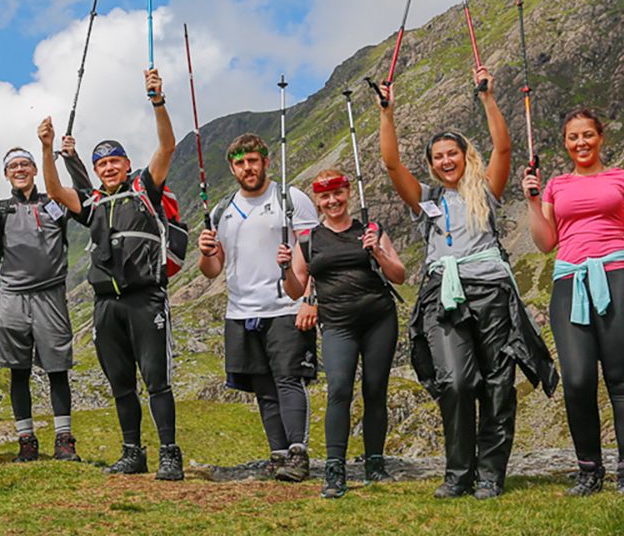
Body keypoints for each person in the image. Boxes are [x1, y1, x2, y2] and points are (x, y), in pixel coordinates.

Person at [380, 67, 558, 500]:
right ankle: (458, 473)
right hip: (445, 293)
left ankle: (490, 476)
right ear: (431, 164)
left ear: (464, 155)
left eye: (451, 153)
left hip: (493, 291)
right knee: (456, 381)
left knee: (498, 382)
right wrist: (387, 113)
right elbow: (390, 163)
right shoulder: (425, 200)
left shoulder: (486, 190)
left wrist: (488, 98)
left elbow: (504, 145)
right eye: (437, 156)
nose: (445, 161)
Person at [40, 67, 184, 481]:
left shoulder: (145, 188)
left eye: (114, 161)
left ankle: (169, 454)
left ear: (127, 164)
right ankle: (132, 453)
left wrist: (158, 101)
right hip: (106, 305)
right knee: (121, 382)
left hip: (145, 298)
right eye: (101, 163)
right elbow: (54, 192)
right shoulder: (92, 204)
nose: (107, 168)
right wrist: (47, 149)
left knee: (156, 379)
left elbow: (168, 146)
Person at [523, 109, 624, 496]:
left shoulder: (620, 178)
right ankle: (589, 472)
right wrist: (531, 202)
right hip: (569, 281)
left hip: (617, 276)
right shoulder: (555, 186)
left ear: (601, 137)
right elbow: (546, 242)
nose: (581, 143)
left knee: (622, 380)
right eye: (573, 137)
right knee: (577, 381)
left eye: (588, 135)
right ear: (565, 142)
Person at [197, 134, 320, 481]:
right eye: (240, 163)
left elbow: (313, 254)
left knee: (288, 380)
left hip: (285, 305)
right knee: (263, 388)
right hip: (241, 310)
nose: (247, 168)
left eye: (253, 160)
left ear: (266, 161)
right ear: (232, 168)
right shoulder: (223, 210)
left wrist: (310, 299)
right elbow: (212, 270)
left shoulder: (291, 199)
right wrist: (205, 252)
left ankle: (298, 454)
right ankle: (277, 454)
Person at [278, 169, 406, 498]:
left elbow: (399, 274)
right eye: (324, 197)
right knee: (339, 389)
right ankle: (335, 469)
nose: (332, 201)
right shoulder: (307, 240)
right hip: (337, 323)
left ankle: (375, 465)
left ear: (349, 193)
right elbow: (294, 291)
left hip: (379, 318)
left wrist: (376, 251)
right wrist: (283, 271)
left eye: (338, 193)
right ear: (317, 201)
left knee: (375, 389)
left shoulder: (371, 230)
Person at [0, 133, 89, 462]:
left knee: (57, 369)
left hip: (51, 296)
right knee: (18, 371)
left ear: (35, 169)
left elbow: (86, 199)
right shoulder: (0, 208)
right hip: (13, 297)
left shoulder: (56, 202)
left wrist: (72, 159)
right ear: (5, 174)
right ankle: (26, 442)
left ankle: (64, 441)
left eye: (25, 164)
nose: (19, 169)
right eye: (12, 166)